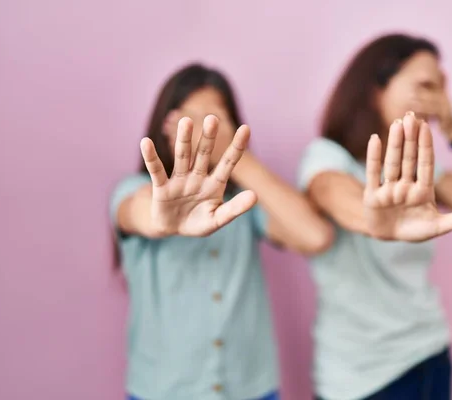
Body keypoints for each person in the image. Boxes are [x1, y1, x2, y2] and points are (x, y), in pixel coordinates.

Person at [297, 34, 452, 400]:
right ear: (375, 89)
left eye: (439, 89)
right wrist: (379, 221)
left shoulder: (418, 174)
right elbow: (334, 195)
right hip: (360, 375)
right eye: (423, 86)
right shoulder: (327, 157)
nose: (433, 100)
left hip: (429, 352)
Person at [110, 64, 334, 400]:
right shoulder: (134, 189)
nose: (204, 131)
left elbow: (315, 236)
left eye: (214, 119)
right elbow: (137, 212)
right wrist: (164, 219)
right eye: (192, 118)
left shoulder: (243, 202)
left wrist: (237, 158)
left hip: (252, 389)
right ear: (166, 125)